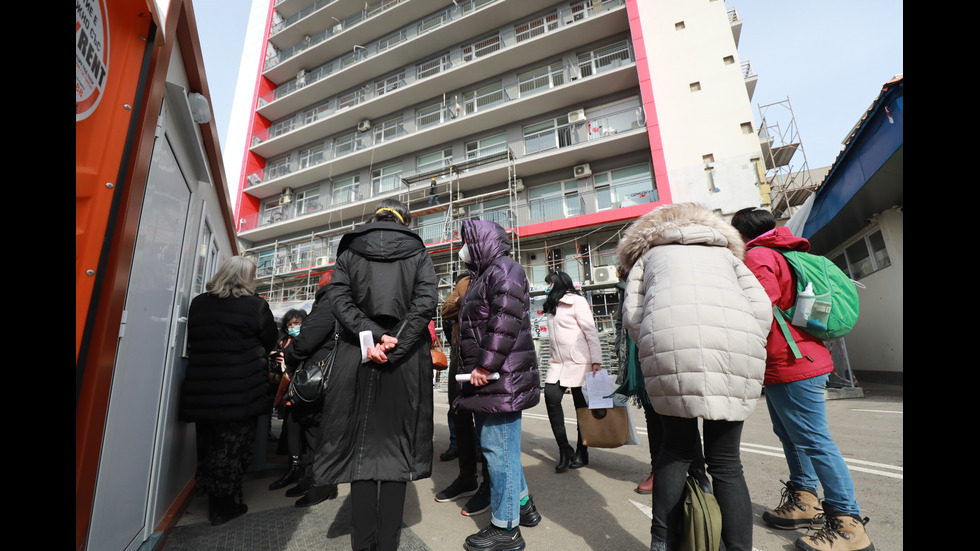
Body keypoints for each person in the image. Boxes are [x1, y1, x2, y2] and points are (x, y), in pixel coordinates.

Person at [617, 203, 772, 551]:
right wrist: (749, 341)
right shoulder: (727, 257)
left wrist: (654, 340)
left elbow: (633, 315)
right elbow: (762, 308)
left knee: (676, 451)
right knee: (727, 463)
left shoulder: (649, 257)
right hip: (735, 346)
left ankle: (664, 544)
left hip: (672, 345)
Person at [731, 207, 874, 551]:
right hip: (795, 358)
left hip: (792, 360)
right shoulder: (786, 251)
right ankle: (805, 500)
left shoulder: (759, 256)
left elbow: (758, 309)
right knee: (793, 437)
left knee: (813, 440)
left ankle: (848, 525)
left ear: (740, 235)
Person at [314, 199, 437, 551]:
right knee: (397, 449)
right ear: (405, 219)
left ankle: (363, 543)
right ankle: (387, 544)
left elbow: (337, 299)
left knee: (360, 449)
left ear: (375, 217)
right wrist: (394, 344)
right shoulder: (418, 252)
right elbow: (425, 302)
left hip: (357, 354)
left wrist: (371, 336)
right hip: (406, 359)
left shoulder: (350, 250)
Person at [455, 219, 541, 551]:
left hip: (498, 377)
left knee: (498, 451)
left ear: (479, 243)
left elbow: (503, 322)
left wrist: (483, 365)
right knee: (502, 450)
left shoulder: (504, 270)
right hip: (495, 379)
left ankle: (506, 529)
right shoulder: (489, 273)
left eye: (466, 242)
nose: (462, 249)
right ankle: (524, 508)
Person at [180, 256, 278, 526]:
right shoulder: (256, 306)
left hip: (203, 388)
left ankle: (213, 496)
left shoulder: (199, 303)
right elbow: (270, 339)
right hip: (240, 388)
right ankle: (223, 507)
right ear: (248, 278)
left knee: (209, 443)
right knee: (233, 446)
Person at [281, 272, 339, 507]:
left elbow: (305, 341)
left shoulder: (328, 303)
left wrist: (289, 356)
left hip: (318, 376)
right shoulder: (345, 302)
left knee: (315, 430)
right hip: (331, 376)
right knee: (312, 427)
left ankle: (321, 485)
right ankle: (312, 479)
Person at [542, 271, 601, 473]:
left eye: (549, 282)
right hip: (557, 362)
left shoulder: (577, 301)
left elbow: (590, 331)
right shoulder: (551, 306)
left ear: (559, 283)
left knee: (581, 408)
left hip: (579, 361)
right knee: (550, 395)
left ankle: (582, 450)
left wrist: (596, 360)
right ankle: (564, 450)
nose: (547, 286)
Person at [267, 308, 307, 492]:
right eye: (290, 324)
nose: (293, 327)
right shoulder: (282, 340)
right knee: (290, 427)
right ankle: (293, 466)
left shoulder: (307, 339)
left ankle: (302, 469)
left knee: (303, 431)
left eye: (296, 323)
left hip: (304, 391)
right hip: (286, 392)